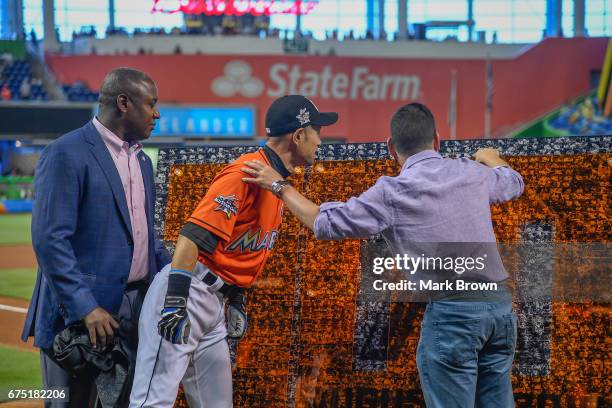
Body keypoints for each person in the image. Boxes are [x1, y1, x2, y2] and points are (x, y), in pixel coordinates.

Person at [241, 102, 525, 407]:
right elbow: (513, 183)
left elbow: (323, 222)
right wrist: (493, 160)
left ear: (390, 148)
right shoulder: (471, 172)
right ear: (437, 140)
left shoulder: (393, 192)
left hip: (454, 316)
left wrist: (278, 184)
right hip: (499, 310)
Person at [129, 95, 338, 407]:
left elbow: (233, 248)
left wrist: (236, 296)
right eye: (317, 130)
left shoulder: (273, 179)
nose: (321, 138)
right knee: (152, 401)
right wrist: (175, 304)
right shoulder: (246, 173)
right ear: (298, 135)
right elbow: (190, 238)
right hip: (187, 291)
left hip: (214, 303)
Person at [22, 67, 171, 407]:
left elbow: (146, 237)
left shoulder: (142, 161)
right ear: (123, 103)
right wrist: (85, 307)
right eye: (151, 104)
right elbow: (50, 240)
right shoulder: (66, 152)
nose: (157, 113)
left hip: (134, 310)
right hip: (78, 315)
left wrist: (178, 277)